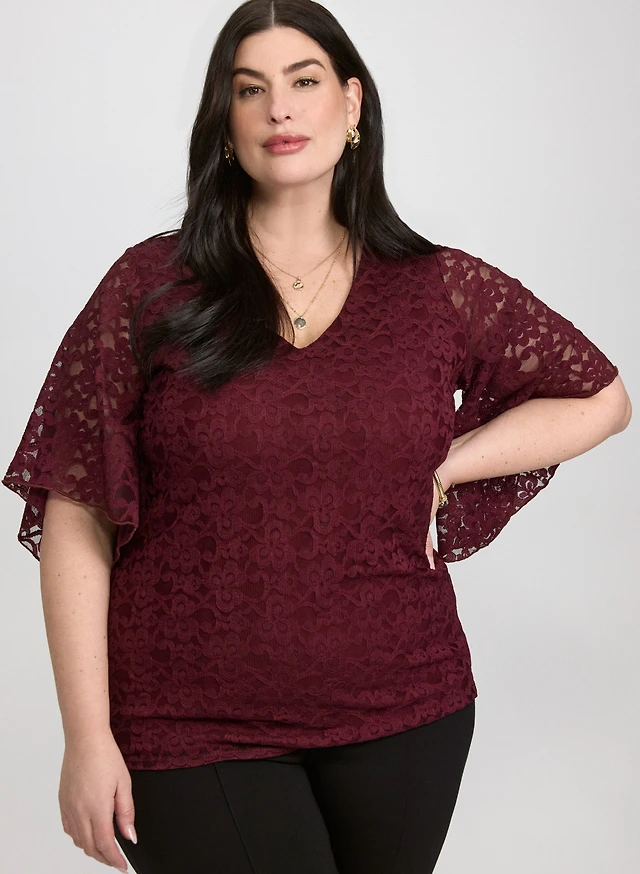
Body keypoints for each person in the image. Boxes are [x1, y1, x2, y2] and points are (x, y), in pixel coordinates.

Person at [2, 1, 631, 872]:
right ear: (225, 121)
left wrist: (449, 466)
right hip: (187, 720)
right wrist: (86, 736)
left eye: (303, 81)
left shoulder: (435, 289)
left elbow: (600, 396)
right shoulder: (150, 286)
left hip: (406, 710)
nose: (279, 109)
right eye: (249, 89)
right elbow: (76, 506)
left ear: (352, 103)